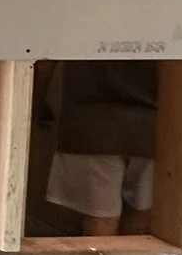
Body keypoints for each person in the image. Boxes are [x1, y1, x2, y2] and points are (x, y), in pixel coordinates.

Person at [45, 60, 156, 236]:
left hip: (92, 122)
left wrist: (33, 104)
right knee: (143, 220)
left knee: (99, 225)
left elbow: (45, 58)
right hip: (154, 124)